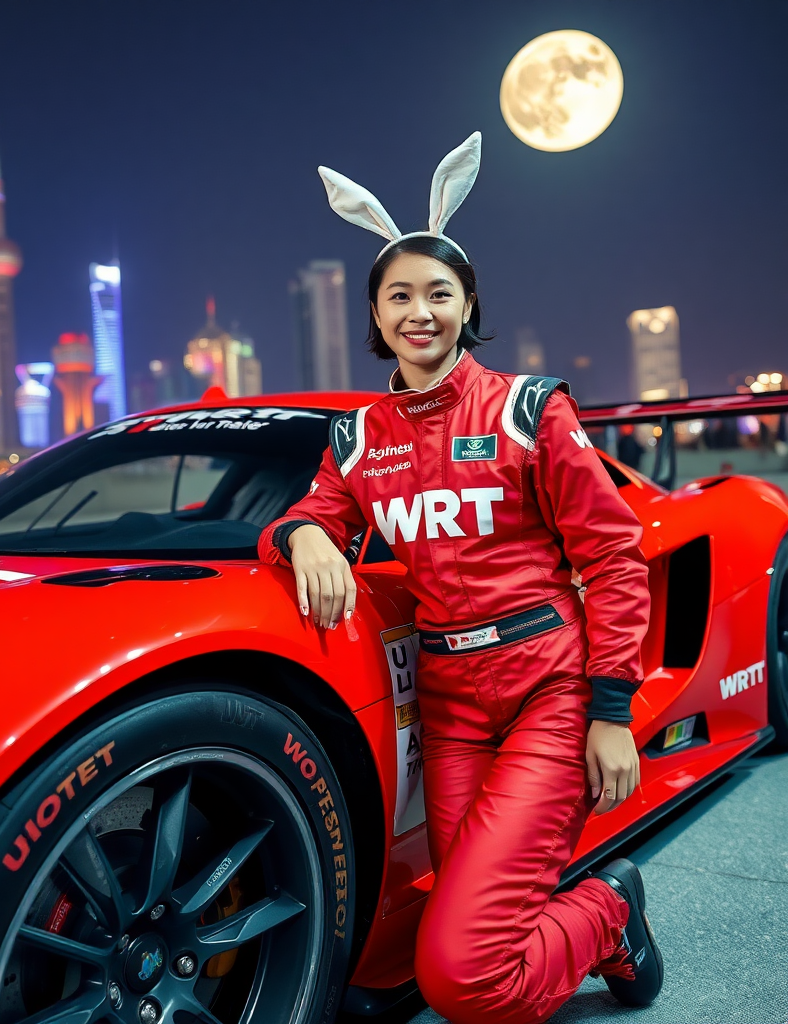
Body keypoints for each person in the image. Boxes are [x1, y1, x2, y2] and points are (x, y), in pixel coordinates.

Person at [258, 133, 663, 1024]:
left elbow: (612, 558)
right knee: (464, 926)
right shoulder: (359, 437)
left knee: (462, 977)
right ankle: (575, 917)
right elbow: (310, 512)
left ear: (468, 303)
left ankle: (608, 911)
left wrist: (610, 711)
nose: (419, 312)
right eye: (398, 295)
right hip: (449, 708)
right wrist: (304, 538)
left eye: (439, 293)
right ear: (374, 314)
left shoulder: (528, 409)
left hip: (546, 689)